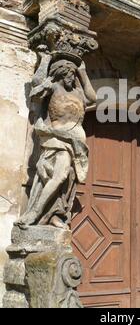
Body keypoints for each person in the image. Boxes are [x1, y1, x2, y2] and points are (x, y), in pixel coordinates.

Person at [16, 47, 96, 228]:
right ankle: (33, 214)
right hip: (58, 138)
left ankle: (53, 214)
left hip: (76, 143)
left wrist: (82, 72)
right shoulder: (53, 87)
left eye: (73, 75)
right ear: (60, 73)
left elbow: (92, 98)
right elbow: (37, 85)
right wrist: (45, 59)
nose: (71, 79)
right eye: (69, 75)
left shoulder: (77, 93)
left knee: (67, 180)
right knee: (59, 176)